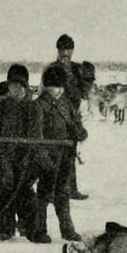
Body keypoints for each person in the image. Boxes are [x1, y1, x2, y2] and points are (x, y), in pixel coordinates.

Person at [26, 65, 87, 243]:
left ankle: (67, 229)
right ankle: (40, 231)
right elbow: (35, 135)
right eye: (54, 88)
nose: (57, 92)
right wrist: (43, 157)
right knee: (44, 194)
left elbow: (74, 121)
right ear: (47, 87)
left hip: (66, 156)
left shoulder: (66, 103)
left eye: (60, 88)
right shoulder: (38, 106)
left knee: (63, 193)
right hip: (47, 158)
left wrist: (80, 131)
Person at [0, 65, 37, 240]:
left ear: (25, 86)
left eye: (19, 85)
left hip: (25, 161)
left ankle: (28, 230)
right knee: (6, 193)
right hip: (5, 161)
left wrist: (31, 159)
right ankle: (6, 230)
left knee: (25, 195)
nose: (14, 89)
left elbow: (36, 136)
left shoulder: (32, 107)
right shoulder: (3, 108)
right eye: (11, 85)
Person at [46, 34, 95, 200]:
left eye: (68, 49)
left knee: (70, 153)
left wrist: (88, 78)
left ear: (72, 50)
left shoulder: (77, 69)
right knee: (53, 153)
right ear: (58, 50)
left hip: (73, 115)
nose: (65, 52)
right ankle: (51, 191)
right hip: (55, 114)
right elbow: (44, 90)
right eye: (62, 49)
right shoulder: (51, 68)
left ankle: (71, 190)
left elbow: (84, 92)